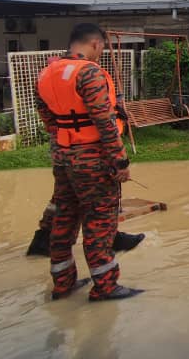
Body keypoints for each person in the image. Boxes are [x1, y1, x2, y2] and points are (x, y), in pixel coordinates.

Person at [35, 23, 143, 301]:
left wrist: (65, 142)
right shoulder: (89, 72)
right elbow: (104, 121)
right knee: (99, 222)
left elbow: (47, 118)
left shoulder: (46, 73)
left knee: (64, 219)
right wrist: (120, 162)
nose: (101, 52)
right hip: (93, 159)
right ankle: (105, 286)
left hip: (63, 158)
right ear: (95, 44)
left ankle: (63, 284)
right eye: (102, 47)